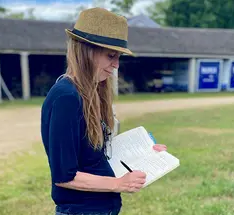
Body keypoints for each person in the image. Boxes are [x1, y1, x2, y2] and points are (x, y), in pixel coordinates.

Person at [40, 7, 167, 215]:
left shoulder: (92, 91)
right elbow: (65, 176)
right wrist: (118, 184)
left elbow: (95, 155)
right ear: (87, 51)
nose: (115, 65)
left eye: (118, 57)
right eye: (110, 56)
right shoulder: (66, 97)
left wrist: (145, 153)